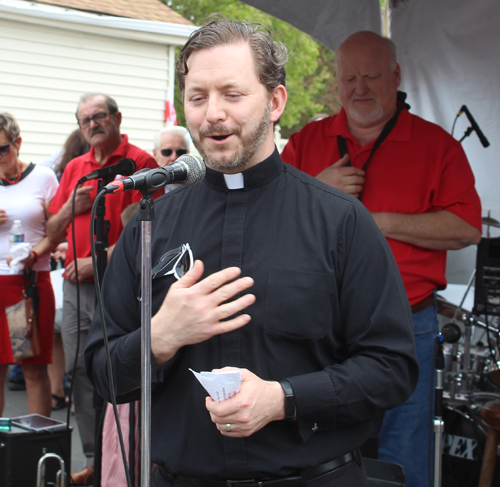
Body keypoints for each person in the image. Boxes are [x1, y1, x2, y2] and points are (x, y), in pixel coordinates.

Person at [86, 18, 419, 487]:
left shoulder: (340, 221)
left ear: (276, 101)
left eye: (233, 94)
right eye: (198, 97)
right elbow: (100, 372)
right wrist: (160, 337)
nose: (212, 114)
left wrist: (284, 398)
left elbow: (392, 368)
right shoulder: (152, 224)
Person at [281, 31, 482, 487]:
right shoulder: (305, 144)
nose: (360, 88)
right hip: (319, 323)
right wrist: (317, 188)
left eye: (371, 76)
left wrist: (377, 221)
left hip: (407, 321)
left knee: (404, 448)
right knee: (313, 446)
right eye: (349, 78)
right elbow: (269, 222)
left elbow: (467, 227)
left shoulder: (438, 146)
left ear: (396, 76)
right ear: (336, 84)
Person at [46, 93, 160, 485]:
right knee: (80, 367)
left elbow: (146, 227)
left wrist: (96, 260)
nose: (92, 124)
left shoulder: (139, 163)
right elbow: (52, 227)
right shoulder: (76, 167)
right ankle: (95, 457)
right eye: (84, 120)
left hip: (118, 285)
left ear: (117, 118)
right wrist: (71, 207)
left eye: (99, 116)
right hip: (76, 287)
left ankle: (121, 455)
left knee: (116, 366)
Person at [0, 112, 59, 417]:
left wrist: (34, 254)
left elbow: (57, 230)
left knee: (32, 369)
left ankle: (38, 451)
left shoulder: (43, 177)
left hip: (27, 284)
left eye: (2, 149)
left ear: (17, 143)